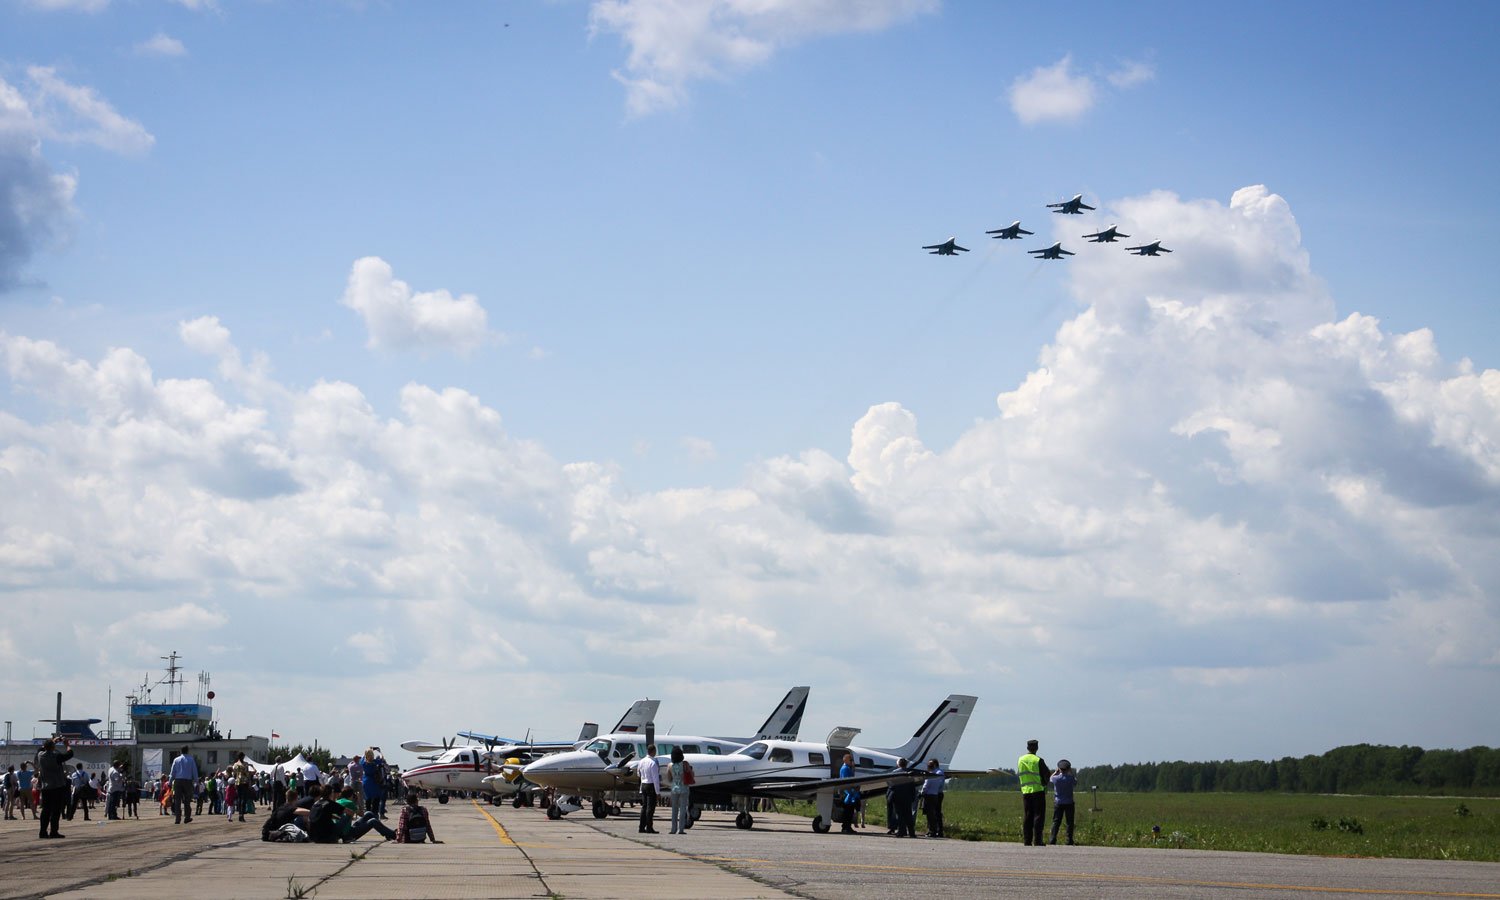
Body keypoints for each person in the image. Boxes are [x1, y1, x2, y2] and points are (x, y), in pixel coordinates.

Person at [35, 736, 74, 839]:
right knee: (56, 810)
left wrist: (53, 741)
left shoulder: (40, 755)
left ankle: (42, 832)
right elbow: (70, 754)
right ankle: (53, 831)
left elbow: (41, 748)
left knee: (46, 810)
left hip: (45, 786)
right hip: (57, 785)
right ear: (53, 747)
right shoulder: (56, 756)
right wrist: (67, 744)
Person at [1018, 738, 1050, 847]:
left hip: (1026, 791)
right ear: (1037, 748)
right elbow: (1047, 775)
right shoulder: (1038, 760)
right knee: (1038, 816)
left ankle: (1027, 840)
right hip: (1038, 791)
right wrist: (1045, 783)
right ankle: (1037, 840)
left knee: (1027, 816)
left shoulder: (1020, 760)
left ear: (1027, 747)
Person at [1049, 759, 1078, 845]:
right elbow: (1075, 782)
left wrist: (1055, 772)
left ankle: (1052, 839)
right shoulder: (1070, 778)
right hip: (1069, 802)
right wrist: (1071, 772)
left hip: (1058, 802)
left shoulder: (1056, 778)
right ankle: (1069, 840)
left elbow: (1050, 778)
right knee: (1070, 822)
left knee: (1056, 821)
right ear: (1068, 769)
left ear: (1060, 768)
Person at [888, 758, 917, 838]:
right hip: (907, 797)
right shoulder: (909, 773)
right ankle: (912, 833)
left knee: (899, 815)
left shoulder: (894, 773)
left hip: (897, 797)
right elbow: (912, 787)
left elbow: (891, 785)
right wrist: (912, 797)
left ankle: (901, 832)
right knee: (908, 815)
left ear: (898, 764)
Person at [170, 746, 199, 824]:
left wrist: (170, 782)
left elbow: (173, 772)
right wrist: (197, 781)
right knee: (187, 800)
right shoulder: (191, 759)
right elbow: (194, 771)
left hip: (178, 781)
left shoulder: (176, 760)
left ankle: (177, 818)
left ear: (181, 751)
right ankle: (187, 817)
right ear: (187, 751)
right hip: (187, 781)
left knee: (177, 800)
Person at [667, 747, 692, 835]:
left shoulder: (670, 765)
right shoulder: (685, 764)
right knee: (682, 809)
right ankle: (681, 829)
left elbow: (669, 778)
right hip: (684, 788)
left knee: (674, 809)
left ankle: (673, 829)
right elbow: (691, 774)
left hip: (674, 788)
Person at [636, 744, 660, 834]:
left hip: (644, 784)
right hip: (651, 785)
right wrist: (658, 792)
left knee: (644, 807)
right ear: (653, 751)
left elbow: (639, 774)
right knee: (650, 808)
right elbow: (655, 779)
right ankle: (649, 827)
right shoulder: (653, 763)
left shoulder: (641, 761)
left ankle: (641, 827)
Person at [922, 759, 947, 838]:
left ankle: (938, 830)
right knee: (932, 813)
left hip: (936, 794)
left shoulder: (938, 773)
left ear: (935, 765)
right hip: (936, 793)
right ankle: (932, 829)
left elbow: (939, 784)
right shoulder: (936, 773)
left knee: (935, 813)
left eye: (929, 765)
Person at [360, 748, 386, 819]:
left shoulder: (363, 763)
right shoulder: (374, 762)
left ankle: (367, 815)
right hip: (374, 781)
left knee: (367, 799)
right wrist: (380, 752)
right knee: (376, 798)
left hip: (366, 781)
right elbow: (382, 759)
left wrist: (368, 749)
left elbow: (363, 757)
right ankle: (375, 814)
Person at [229, 752, 255, 821]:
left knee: (239, 799)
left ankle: (240, 813)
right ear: (243, 757)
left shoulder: (235, 764)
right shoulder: (245, 764)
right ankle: (242, 814)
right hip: (244, 782)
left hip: (238, 783)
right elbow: (247, 774)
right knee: (244, 799)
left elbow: (233, 774)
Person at [838, 752, 858, 834]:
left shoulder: (846, 768)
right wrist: (853, 790)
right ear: (846, 760)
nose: (852, 762)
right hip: (848, 794)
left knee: (848, 812)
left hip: (847, 793)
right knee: (848, 812)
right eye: (851, 760)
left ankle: (846, 827)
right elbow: (847, 782)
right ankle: (846, 827)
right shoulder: (846, 769)